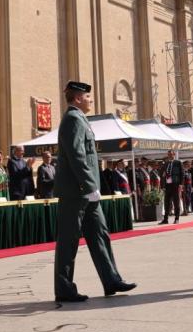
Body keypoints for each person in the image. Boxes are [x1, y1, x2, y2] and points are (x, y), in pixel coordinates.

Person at [53, 80, 136, 303]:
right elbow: (77, 155)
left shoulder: (80, 119)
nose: (90, 100)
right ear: (78, 98)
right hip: (75, 191)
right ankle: (64, 288)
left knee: (100, 234)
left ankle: (111, 280)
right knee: (69, 240)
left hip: (87, 191)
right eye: (87, 97)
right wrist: (89, 186)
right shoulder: (73, 119)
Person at [159, 149, 184, 225]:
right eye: (168, 154)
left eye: (171, 154)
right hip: (167, 185)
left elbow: (182, 173)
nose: (169, 156)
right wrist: (162, 185)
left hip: (175, 184)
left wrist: (181, 184)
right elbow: (162, 174)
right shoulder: (166, 163)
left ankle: (176, 218)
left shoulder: (178, 163)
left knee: (176, 202)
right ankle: (165, 219)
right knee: (166, 202)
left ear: (174, 155)